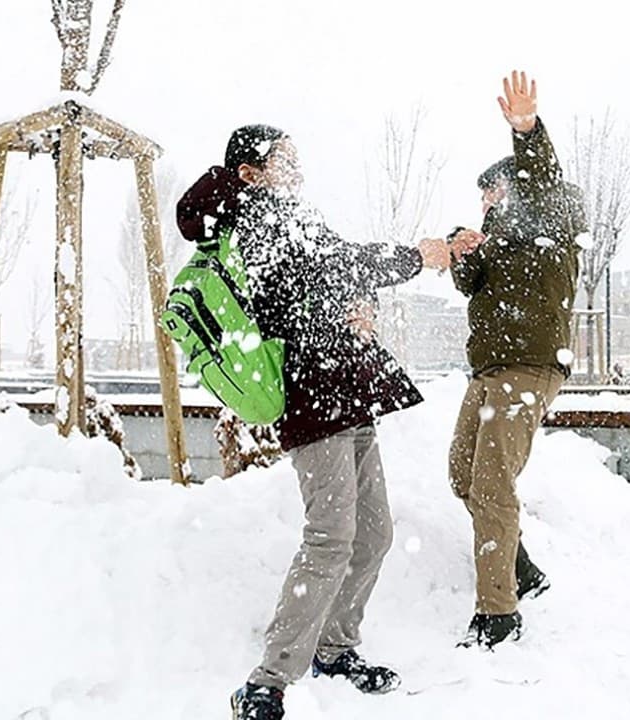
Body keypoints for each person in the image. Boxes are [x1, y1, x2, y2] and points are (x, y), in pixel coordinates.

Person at [175, 125, 454, 720]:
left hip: (346, 388)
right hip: (312, 396)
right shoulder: (254, 218)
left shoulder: (291, 215)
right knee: (330, 535)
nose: (298, 169)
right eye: (286, 160)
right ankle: (267, 682)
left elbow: (330, 281)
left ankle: (335, 648)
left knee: (373, 532)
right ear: (251, 172)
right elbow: (333, 268)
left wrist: (359, 307)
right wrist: (416, 257)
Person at [445, 71, 588, 649]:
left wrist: (526, 130)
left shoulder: (551, 218)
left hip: (528, 367)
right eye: (483, 195)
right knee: (463, 473)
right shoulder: (497, 240)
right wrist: (462, 249)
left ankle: (498, 614)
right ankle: (521, 567)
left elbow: (542, 178)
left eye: (494, 191)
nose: (487, 201)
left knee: (491, 484)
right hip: (489, 369)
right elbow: (469, 284)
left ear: (518, 188)